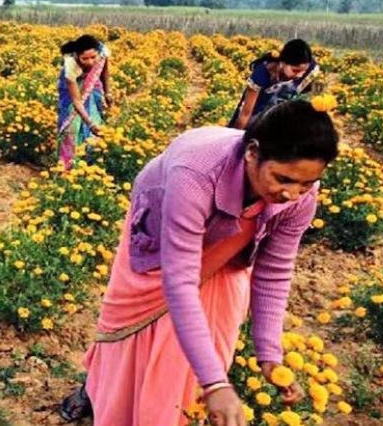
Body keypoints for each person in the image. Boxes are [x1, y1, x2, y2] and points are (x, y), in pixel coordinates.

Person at [60, 99, 340, 426]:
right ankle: (96, 392)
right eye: (284, 179)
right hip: (162, 238)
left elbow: (273, 273)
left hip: (229, 248)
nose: (293, 194)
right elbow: (179, 282)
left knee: (207, 340)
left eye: (306, 183)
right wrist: (217, 384)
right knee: (134, 332)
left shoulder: (300, 195)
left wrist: (269, 355)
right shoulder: (195, 174)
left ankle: (177, 411)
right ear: (252, 152)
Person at [229, 38, 319, 129]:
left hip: (278, 117)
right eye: (295, 70)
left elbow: (314, 87)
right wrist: (237, 138)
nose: (300, 75)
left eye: (304, 71)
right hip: (254, 117)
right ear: (282, 62)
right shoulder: (261, 75)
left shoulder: (308, 68)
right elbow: (245, 114)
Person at [57, 34, 111, 169]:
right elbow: (76, 100)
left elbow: (104, 72)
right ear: (76, 55)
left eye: (93, 57)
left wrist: (107, 92)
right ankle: (68, 164)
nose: (91, 62)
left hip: (92, 87)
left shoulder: (102, 52)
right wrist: (90, 123)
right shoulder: (70, 66)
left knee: (94, 114)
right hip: (71, 90)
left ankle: (91, 157)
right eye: (85, 59)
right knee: (71, 124)